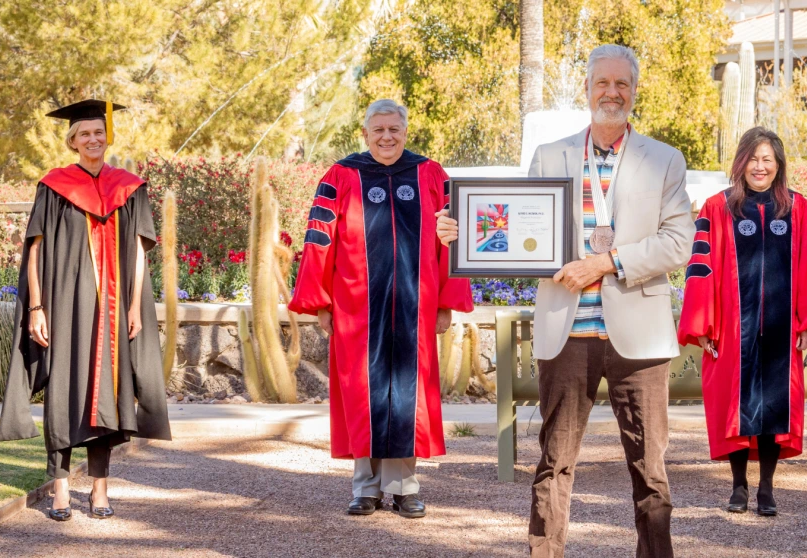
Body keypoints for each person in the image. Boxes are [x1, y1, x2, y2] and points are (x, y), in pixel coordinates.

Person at [439, 44, 693, 557]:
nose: (612, 93)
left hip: (639, 338)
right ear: (587, 89)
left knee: (650, 468)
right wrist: (462, 232)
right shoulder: (550, 156)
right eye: (603, 83)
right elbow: (516, 231)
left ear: (634, 91)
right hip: (567, 330)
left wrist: (606, 262)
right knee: (554, 462)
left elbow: (678, 242)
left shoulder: (665, 159)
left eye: (622, 84)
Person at [288, 99, 473, 520]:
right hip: (356, 306)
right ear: (366, 132)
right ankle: (365, 489)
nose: (387, 137)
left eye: (395, 129)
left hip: (416, 302)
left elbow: (454, 238)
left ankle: (404, 488)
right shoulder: (342, 175)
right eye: (379, 130)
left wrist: (447, 301)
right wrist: (321, 302)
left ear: (405, 131)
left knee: (408, 397)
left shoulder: (430, 174)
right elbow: (319, 239)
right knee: (361, 394)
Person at [0, 99, 171, 521]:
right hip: (62, 305)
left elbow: (140, 254)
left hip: (111, 313)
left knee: (106, 399)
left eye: (98, 132)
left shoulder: (129, 188)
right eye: (84, 134)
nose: (92, 139)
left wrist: (134, 307)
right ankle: (59, 488)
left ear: (107, 137)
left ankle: (99, 490)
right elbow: (34, 250)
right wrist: (36, 307)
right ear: (72, 141)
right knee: (62, 394)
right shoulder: (54, 186)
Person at [677, 127, 807, 516]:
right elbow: (701, 269)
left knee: (773, 408)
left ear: (778, 164)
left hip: (782, 331)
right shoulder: (718, 208)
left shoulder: (798, 208)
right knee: (736, 406)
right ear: (741, 162)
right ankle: (738, 487)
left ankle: (766, 488)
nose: (759, 167)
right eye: (753, 159)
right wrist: (703, 326)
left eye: (767, 160)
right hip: (733, 327)